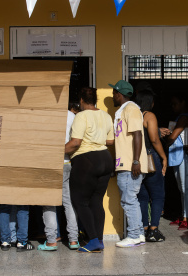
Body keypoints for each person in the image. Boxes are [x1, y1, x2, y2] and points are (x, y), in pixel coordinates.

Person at [65, 87, 114, 253]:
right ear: (95, 100)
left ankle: (93, 240)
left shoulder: (81, 116)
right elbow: (110, 141)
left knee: (80, 201)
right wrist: (96, 138)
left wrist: (54, 150)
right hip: (105, 159)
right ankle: (98, 239)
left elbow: (76, 142)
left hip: (86, 160)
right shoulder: (106, 116)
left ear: (81, 100)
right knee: (96, 201)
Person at [110, 80, 148, 248]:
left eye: (113, 93)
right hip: (125, 163)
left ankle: (133, 235)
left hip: (130, 164)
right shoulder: (124, 110)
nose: (112, 96)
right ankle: (138, 234)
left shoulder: (131, 109)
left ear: (119, 94)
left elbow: (138, 134)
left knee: (128, 200)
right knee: (130, 199)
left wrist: (135, 160)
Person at [37, 102, 80, 251]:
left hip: (48, 163)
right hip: (66, 161)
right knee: (68, 202)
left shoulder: (44, 115)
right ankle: (74, 240)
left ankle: (51, 240)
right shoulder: (72, 116)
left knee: (49, 203)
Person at [135, 87, 167, 242]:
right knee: (158, 195)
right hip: (149, 157)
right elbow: (154, 139)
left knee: (142, 196)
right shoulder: (149, 116)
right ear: (150, 102)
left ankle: (144, 228)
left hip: (135, 159)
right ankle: (153, 230)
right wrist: (163, 157)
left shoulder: (133, 115)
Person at [165, 93, 188, 230]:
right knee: (182, 188)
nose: (173, 107)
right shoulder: (181, 117)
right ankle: (184, 215)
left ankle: (187, 218)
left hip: (185, 156)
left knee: (185, 188)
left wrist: (165, 139)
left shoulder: (184, 118)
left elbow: (173, 137)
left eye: (175, 103)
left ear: (183, 102)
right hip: (180, 156)